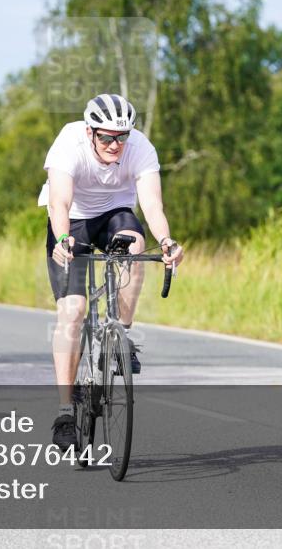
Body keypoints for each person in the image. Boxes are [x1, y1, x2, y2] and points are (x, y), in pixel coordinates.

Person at [39, 94, 184, 449]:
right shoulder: (68, 142)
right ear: (90, 133)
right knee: (72, 312)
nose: (115, 145)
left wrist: (166, 241)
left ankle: (123, 334)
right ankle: (64, 412)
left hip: (115, 214)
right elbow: (59, 201)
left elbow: (151, 203)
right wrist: (61, 239)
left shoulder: (140, 147)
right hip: (71, 222)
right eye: (106, 137)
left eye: (122, 137)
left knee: (136, 243)